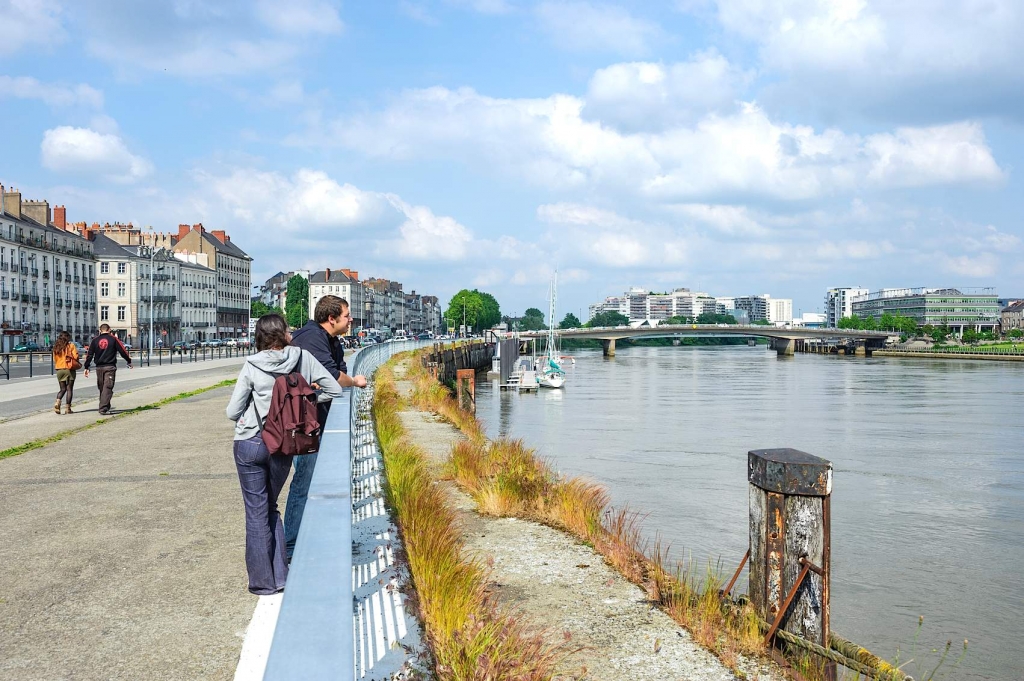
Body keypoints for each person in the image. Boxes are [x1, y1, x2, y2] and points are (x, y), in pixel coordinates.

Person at [225, 314, 343, 595]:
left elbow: (232, 411)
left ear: (260, 337)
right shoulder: (302, 358)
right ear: (285, 334)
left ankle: (263, 582)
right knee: (270, 507)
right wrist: (306, 402)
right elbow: (334, 389)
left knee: (256, 511)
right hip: (283, 445)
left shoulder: (252, 364)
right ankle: (281, 576)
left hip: (251, 443)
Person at [284, 296, 367, 561]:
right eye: (346, 315)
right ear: (331, 318)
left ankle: (309, 539)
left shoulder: (329, 340)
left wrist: (344, 379)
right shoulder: (312, 338)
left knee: (314, 481)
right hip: (303, 423)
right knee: (304, 482)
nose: (350, 319)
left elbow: (336, 372)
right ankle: (292, 547)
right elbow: (334, 377)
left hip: (318, 420)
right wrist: (354, 381)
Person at [83, 324, 133, 415]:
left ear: (100, 330)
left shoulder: (95, 340)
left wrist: (86, 367)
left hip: (99, 367)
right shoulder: (113, 339)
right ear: (109, 330)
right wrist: (128, 361)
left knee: (102, 387)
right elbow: (122, 350)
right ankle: (103, 408)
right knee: (107, 387)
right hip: (110, 366)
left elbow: (89, 354)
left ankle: (106, 406)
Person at [52, 331, 80, 415]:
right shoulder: (71, 346)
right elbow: (76, 357)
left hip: (60, 369)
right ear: (67, 337)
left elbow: (55, 359)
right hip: (69, 369)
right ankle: (68, 409)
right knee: (69, 389)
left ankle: (57, 402)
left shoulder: (56, 347)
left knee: (62, 389)